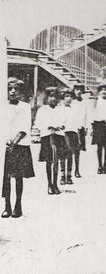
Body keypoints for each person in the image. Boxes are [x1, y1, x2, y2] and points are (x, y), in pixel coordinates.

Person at [2, 78, 35, 218]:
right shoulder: (3, 105)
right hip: (5, 145)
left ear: (20, 91)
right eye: (10, 89)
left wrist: (14, 143)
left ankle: (18, 206)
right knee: (6, 177)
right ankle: (7, 206)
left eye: (16, 89)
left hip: (19, 146)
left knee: (18, 177)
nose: (13, 91)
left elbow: (24, 127)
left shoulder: (25, 107)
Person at [35, 87, 66, 195]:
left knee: (57, 161)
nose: (53, 99)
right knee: (49, 161)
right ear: (47, 97)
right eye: (51, 96)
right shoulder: (42, 110)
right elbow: (38, 123)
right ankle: (49, 184)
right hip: (47, 137)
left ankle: (55, 184)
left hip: (58, 137)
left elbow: (64, 122)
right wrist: (48, 126)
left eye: (55, 97)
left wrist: (60, 126)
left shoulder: (61, 109)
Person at [60, 88, 81, 185]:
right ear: (63, 98)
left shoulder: (75, 110)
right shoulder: (59, 109)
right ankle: (62, 175)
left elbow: (77, 123)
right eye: (66, 96)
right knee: (63, 154)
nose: (69, 99)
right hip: (63, 133)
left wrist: (78, 135)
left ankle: (69, 175)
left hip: (73, 133)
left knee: (70, 154)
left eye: (70, 97)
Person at [91, 84, 106, 174]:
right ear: (99, 92)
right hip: (98, 125)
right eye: (101, 90)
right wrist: (92, 127)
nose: (104, 91)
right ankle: (99, 166)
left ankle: (105, 166)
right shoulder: (96, 101)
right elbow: (93, 113)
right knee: (99, 146)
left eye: (105, 90)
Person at [72, 84, 87, 178]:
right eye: (77, 89)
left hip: (81, 128)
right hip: (72, 128)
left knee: (78, 150)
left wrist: (85, 127)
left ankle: (77, 170)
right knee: (69, 150)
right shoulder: (71, 102)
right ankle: (67, 171)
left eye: (80, 89)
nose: (78, 91)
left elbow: (86, 115)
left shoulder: (85, 102)